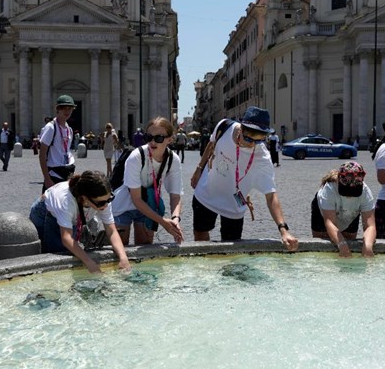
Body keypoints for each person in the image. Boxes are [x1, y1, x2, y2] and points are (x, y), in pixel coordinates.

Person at [190, 106, 298, 251]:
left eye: (258, 141)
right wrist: (198, 169)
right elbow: (212, 144)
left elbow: (271, 196)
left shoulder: (262, 158)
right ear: (240, 128)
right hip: (207, 192)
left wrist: (283, 230)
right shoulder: (224, 126)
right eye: (247, 138)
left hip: (234, 203)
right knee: (200, 236)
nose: (251, 144)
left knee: (231, 249)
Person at [28, 170, 131, 273]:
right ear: (85, 198)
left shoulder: (102, 198)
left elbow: (111, 231)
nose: (105, 205)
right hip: (45, 213)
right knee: (57, 253)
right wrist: (89, 263)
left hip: (75, 213)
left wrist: (123, 258)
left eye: (109, 199)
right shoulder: (65, 200)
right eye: (101, 203)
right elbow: (66, 238)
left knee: (74, 251)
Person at [112, 116, 184, 246]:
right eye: (149, 137)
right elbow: (136, 199)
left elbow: (175, 196)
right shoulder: (136, 157)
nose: (152, 142)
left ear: (169, 139)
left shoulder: (173, 160)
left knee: (145, 248)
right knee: (120, 248)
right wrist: (163, 223)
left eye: (159, 138)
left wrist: (175, 219)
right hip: (123, 206)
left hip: (149, 205)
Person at [312, 161, 377, 258]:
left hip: (351, 212)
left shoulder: (366, 192)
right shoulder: (329, 189)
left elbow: (370, 226)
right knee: (324, 245)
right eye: (346, 192)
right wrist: (342, 246)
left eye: (354, 193)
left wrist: (368, 247)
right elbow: (330, 222)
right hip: (323, 213)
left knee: (350, 240)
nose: (349, 197)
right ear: (339, 181)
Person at [39, 96, 77, 192]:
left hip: (67, 173)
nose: (67, 111)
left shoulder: (70, 129)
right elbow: (42, 155)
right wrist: (47, 179)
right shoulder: (51, 127)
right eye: (64, 108)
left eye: (70, 108)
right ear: (58, 109)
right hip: (54, 174)